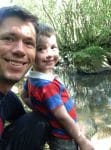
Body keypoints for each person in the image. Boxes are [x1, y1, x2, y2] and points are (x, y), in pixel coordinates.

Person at [21, 23, 95, 150]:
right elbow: (62, 117)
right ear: (31, 53)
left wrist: (43, 112)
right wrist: (81, 140)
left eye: (53, 47)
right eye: (41, 49)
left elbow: (24, 96)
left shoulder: (33, 77)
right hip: (64, 136)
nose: (49, 53)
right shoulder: (47, 86)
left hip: (58, 130)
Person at [0, 5, 48, 150]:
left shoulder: (7, 98)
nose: (20, 50)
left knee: (38, 119)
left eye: (28, 43)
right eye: (8, 38)